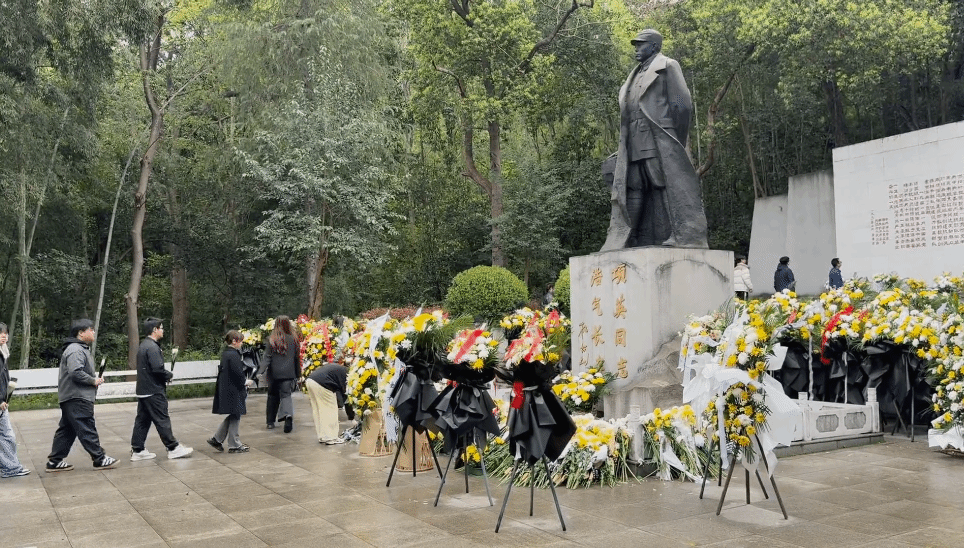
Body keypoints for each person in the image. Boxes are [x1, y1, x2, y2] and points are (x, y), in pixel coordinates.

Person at [601, 29, 708, 251]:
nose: (637, 49)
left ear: (654, 46)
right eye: (636, 45)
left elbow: (682, 106)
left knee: (662, 181)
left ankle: (678, 233)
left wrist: (672, 137)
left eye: (641, 44)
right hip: (633, 140)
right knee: (634, 184)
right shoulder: (633, 74)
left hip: (659, 136)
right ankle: (630, 236)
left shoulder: (668, 66)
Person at [46, 319, 117, 472]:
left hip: (71, 397)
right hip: (77, 397)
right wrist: (92, 380)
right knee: (86, 427)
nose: (94, 332)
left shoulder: (78, 348)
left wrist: (93, 380)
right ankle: (99, 458)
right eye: (91, 329)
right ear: (81, 333)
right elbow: (75, 372)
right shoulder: (75, 349)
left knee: (67, 430)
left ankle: (54, 462)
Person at [129, 318, 193, 461]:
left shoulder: (144, 345)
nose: (163, 330)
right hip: (153, 390)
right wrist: (168, 375)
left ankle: (138, 449)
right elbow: (157, 369)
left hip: (144, 390)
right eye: (161, 328)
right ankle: (173, 448)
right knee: (162, 419)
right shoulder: (152, 347)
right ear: (155, 330)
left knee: (142, 420)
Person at [208, 330, 254, 453]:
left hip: (228, 389)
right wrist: (245, 382)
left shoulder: (226, 353)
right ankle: (234, 444)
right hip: (234, 390)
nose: (241, 344)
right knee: (236, 414)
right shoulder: (233, 355)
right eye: (240, 341)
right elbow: (237, 373)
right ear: (234, 341)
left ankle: (217, 439)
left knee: (235, 414)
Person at [259, 315, 301, 433]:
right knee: (286, 395)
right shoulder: (294, 339)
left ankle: (270, 422)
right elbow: (297, 358)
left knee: (272, 396)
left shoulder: (271, 339)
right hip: (288, 373)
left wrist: (260, 371)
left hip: (274, 373)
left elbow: (267, 358)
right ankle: (288, 416)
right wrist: (298, 374)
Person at [1, 323, 30, 478]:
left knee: (6, 436)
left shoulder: (3, 352)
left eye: (5, 333)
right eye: (0, 333)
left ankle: (8, 467)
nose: (3, 336)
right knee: (7, 436)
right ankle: (10, 468)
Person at [305, 362, 353, 445]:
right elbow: (346, 395)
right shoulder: (347, 376)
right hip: (323, 383)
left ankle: (322, 436)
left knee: (318, 410)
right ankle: (331, 437)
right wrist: (351, 416)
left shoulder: (339, 369)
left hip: (310, 381)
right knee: (330, 409)